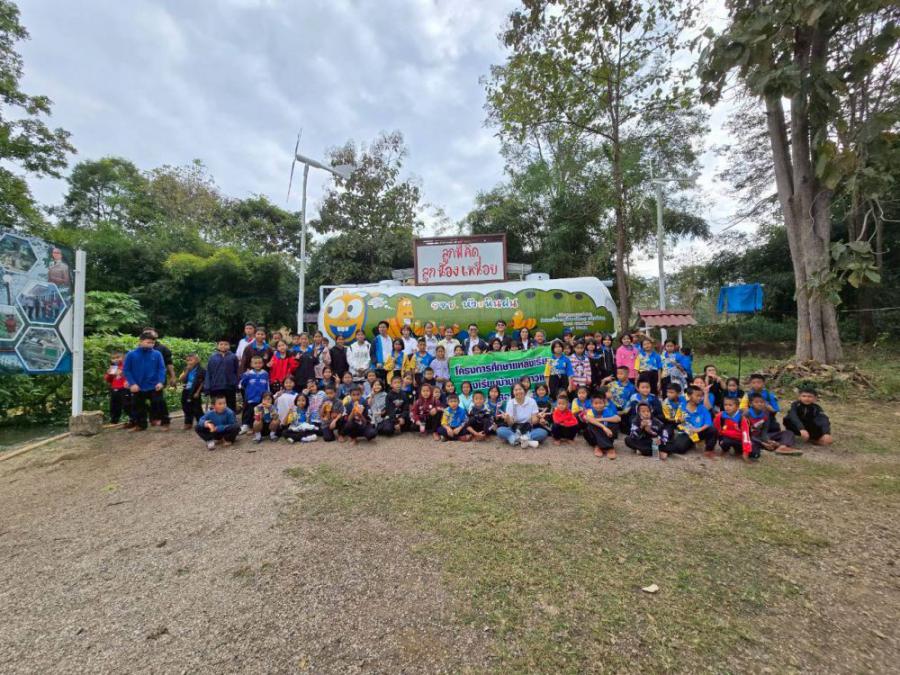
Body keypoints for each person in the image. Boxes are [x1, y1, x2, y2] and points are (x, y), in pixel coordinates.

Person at [123, 331, 167, 432]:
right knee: (138, 406)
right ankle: (141, 425)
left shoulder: (157, 354)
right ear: (140, 341)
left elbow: (161, 368)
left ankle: (165, 422)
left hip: (154, 385)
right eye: (148, 342)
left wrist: (161, 381)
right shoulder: (131, 354)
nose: (151, 345)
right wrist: (132, 383)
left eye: (152, 343)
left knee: (159, 403)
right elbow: (126, 370)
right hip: (138, 386)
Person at [669, 384, 717, 456]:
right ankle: (691, 443)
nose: (700, 398)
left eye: (701, 396)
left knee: (712, 430)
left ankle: (709, 450)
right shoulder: (682, 406)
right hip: (687, 432)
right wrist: (683, 424)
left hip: (699, 432)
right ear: (689, 396)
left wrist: (699, 429)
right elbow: (678, 422)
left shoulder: (703, 408)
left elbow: (708, 423)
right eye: (697, 396)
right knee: (679, 449)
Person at [497, 383, 549, 448]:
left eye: (520, 389)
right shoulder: (510, 403)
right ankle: (526, 440)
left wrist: (538, 417)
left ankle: (516, 439)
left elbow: (534, 421)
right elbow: (511, 423)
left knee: (543, 432)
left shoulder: (532, 401)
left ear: (524, 390)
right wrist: (507, 418)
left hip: (528, 430)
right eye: (516, 390)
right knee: (500, 430)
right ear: (513, 392)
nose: (518, 391)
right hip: (515, 430)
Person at [583, 391, 621, 458]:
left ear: (605, 403)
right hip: (595, 436)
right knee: (591, 425)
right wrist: (604, 427)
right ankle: (607, 447)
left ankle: (601, 446)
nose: (598, 405)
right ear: (592, 404)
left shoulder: (607, 410)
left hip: (607, 435)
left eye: (600, 403)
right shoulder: (590, 411)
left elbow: (618, 418)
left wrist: (600, 419)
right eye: (596, 403)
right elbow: (587, 418)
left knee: (614, 424)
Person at [205, 339, 239, 412]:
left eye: (226, 344)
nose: (223, 346)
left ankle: (231, 418)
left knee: (231, 406)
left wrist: (237, 384)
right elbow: (208, 372)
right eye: (221, 344)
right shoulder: (212, 357)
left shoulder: (233, 357)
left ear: (229, 346)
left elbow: (237, 371)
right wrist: (207, 387)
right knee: (217, 407)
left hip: (230, 386)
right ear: (217, 346)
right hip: (216, 386)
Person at [239, 355, 270, 434]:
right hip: (250, 397)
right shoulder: (248, 374)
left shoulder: (265, 374)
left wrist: (267, 396)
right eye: (255, 363)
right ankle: (246, 425)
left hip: (261, 398)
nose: (257, 365)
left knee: (258, 412)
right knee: (248, 412)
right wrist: (245, 376)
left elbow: (267, 386)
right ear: (251, 364)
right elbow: (242, 384)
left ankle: (255, 427)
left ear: (262, 364)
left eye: (259, 363)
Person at [179, 353, 205, 431]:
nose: (189, 362)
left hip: (195, 390)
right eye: (187, 360)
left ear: (197, 360)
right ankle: (188, 423)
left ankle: (201, 423)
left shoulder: (201, 370)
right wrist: (187, 371)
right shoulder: (186, 369)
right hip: (186, 389)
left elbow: (203, 382)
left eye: (191, 360)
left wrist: (198, 392)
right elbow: (182, 379)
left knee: (197, 408)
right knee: (186, 407)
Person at [104, 350, 131, 425]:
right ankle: (114, 421)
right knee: (114, 406)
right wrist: (109, 374)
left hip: (124, 388)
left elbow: (130, 376)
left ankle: (133, 419)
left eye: (118, 357)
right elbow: (108, 380)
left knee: (127, 405)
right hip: (114, 388)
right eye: (113, 358)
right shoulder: (113, 367)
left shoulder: (126, 366)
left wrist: (121, 373)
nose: (116, 359)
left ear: (123, 357)